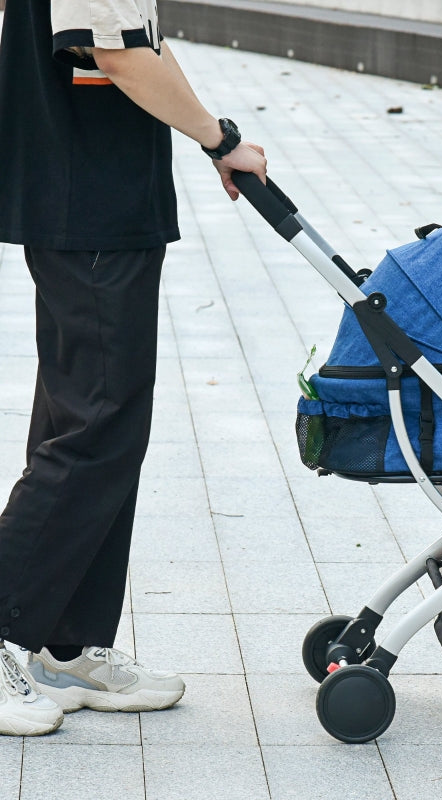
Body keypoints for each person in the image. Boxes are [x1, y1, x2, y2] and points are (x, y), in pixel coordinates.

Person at [0, 0, 267, 736]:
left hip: (96, 199)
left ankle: (65, 642)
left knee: (91, 422)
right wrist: (220, 138)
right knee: (94, 426)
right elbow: (117, 57)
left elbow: (137, 42)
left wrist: (219, 143)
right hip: (88, 201)